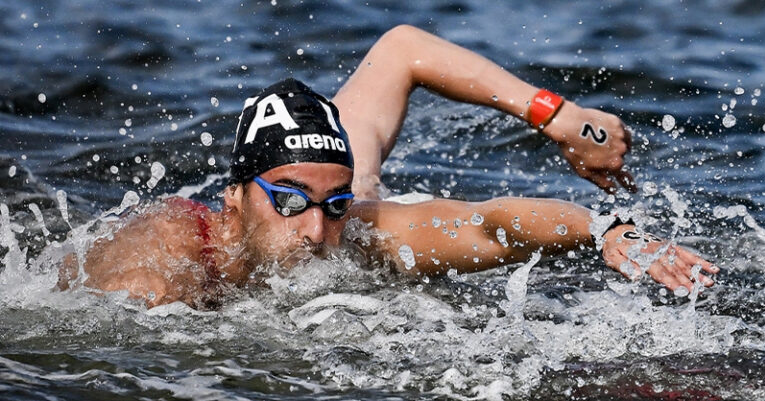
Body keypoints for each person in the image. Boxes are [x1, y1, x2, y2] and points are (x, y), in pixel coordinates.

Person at [57, 79, 718, 309]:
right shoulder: (163, 259)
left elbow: (489, 224)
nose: (317, 233)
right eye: (288, 200)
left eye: (332, 205)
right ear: (235, 196)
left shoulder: (357, 220)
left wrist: (606, 229)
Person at [333, 25, 636, 198]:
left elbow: (403, 51)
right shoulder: (341, 182)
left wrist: (560, 117)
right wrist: (561, 118)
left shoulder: (322, 166)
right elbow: (403, 50)